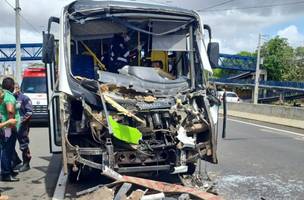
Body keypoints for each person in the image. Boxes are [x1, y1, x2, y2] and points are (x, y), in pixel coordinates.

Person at [0, 77, 21, 177]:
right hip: (8, 127)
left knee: (7, 149)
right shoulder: (8, 96)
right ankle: (6, 173)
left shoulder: (2, 94)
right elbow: (10, 111)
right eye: (13, 85)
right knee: (7, 150)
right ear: (11, 86)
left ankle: (9, 170)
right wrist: (11, 125)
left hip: (3, 126)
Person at [14, 84, 33, 172]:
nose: (14, 90)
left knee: (23, 144)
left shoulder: (24, 98)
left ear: (18, 88)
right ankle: (16, 161)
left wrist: (21, 121)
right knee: (8, 143)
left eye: (16, 88)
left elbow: (29, 112)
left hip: (22, 126)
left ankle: (26, 163)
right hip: (11, 125)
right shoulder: (10, 98)